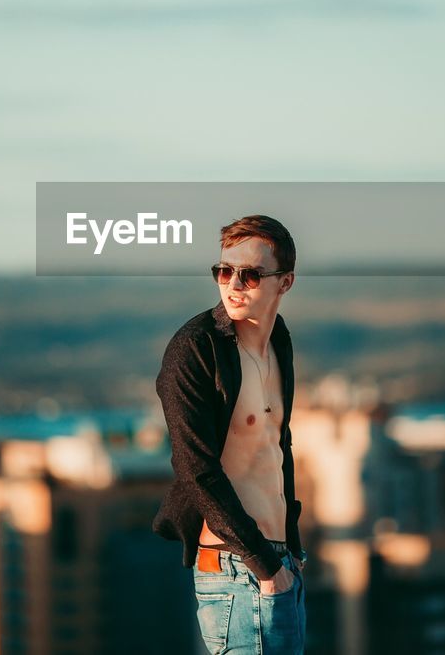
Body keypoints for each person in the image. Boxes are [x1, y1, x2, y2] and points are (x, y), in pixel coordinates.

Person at [153, 214, 307, 654]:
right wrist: (263, 567)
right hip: (238, 567)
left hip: (281, 565)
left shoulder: (279, 342)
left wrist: (289, 557)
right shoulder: (196, 349)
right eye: (224, 271)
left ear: (285, 282)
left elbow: (280, 445)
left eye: (251, 274)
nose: (233, 284)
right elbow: (195, 468)